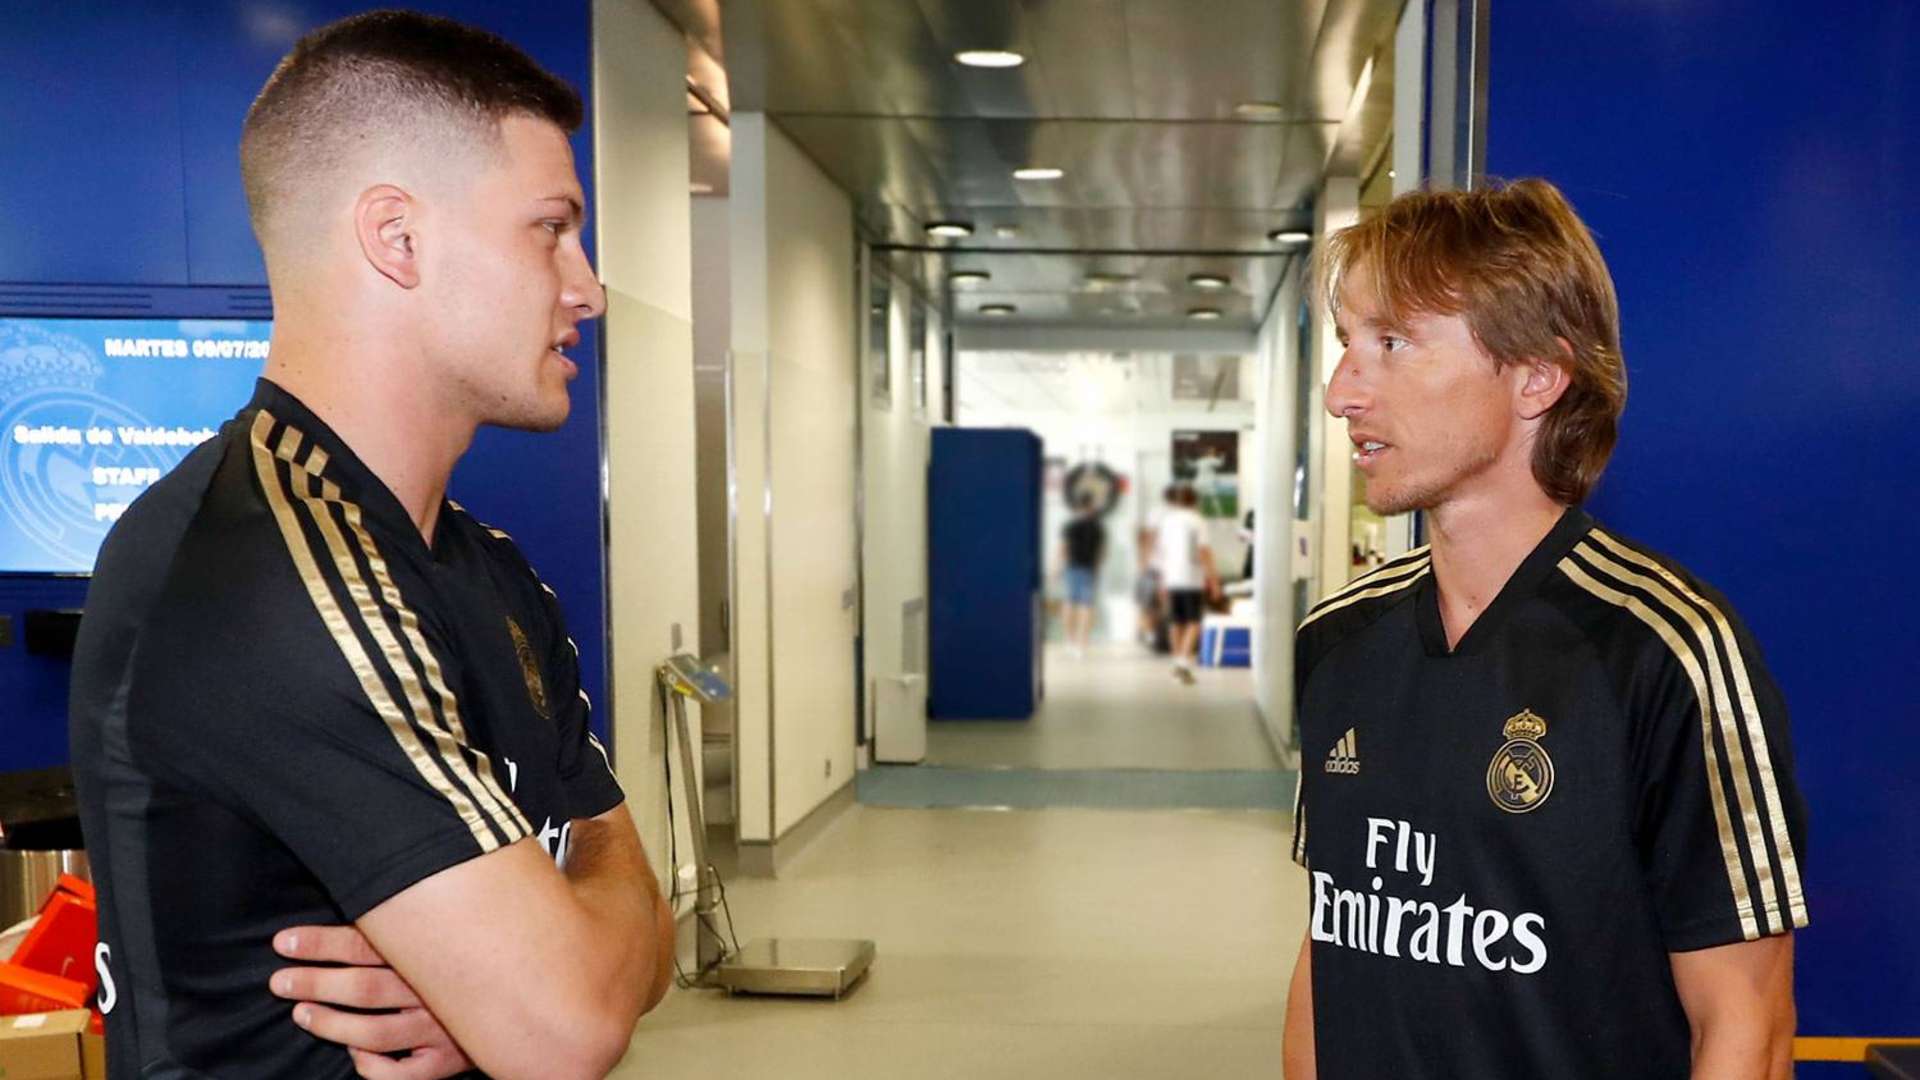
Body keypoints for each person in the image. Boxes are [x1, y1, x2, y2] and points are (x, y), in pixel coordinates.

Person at [68, 12, 673, 1078]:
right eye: (550, 229)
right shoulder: (267, 576)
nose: (586, 287)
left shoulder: (485, 568)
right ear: (396, 239)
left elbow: (635, 914)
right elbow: (570, 1030)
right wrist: (527, 975)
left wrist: (507, 974)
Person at [1283, 180, 1807, 1079]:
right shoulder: (1338, 641)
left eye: (1393, 345)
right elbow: (1329, 942)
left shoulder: (1668, 651)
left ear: (1536, 376)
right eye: (1346, 348)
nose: (1341, 394)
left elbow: (1746, 1024)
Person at [1154, 484, 1217, 683]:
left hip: (1171, 577)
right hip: (1191, 578)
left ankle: (1178, 661)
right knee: (1194, 621)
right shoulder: (1197, 521)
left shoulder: (1168, 521)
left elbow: (1162, 553)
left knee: (1176, 621)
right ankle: (1182, 662)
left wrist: (1162, 581)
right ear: (1194, 501)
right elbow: (1203, 551)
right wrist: (1213, 579)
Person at [1056, 493, 1106, 656]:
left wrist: (1057, 567)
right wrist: (1098, 569)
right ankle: (1082, 644)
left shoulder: (1070, 524)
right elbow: (1101, 552)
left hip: (1071, 567)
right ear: (1091, 505)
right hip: (1088, 568)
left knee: (1069, 602)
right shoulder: (1097, 526)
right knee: (1086, 605)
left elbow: (1063, 548)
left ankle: (1070, 640)